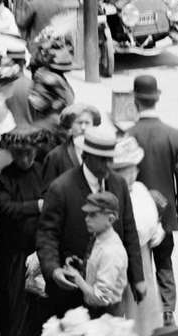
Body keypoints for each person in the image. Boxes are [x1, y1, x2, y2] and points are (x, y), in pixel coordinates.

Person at [35, 125, 145, 321]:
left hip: (109, 293)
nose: (109, 165)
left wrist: (138, 277)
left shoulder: (118, 184)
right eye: (103, 160)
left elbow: (129, 230)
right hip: (71, 295)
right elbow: (47, 236)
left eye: (111, 159)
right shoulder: (61, 188)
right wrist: (54, 269)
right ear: (86, 156)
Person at [125, 74, 178, 327]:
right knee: (164, 262)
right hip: (164, 213)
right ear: (156, 100)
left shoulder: (128, 135)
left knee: (140, 262)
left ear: (135, 101)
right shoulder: (174, 135)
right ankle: (167, 310)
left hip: (135, 214)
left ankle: (144, 311)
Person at [0, 125, 51, 336]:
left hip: (39, 252)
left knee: (41, 308)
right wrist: (35, 206)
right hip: (14, 256)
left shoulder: (41, 171)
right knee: (16, 309)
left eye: (30, 153)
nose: (26, 159)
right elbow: (5, 207)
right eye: (20, 154)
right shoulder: (5, 176)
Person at [110, 136, 163, 334]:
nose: (135, 173)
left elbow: (152, 216)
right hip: (125, 258)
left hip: (143, 257)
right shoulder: (115, 195)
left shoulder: (140, 190)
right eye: (130, 169)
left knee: (144, 306)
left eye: (135, 169)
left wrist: (158, 229)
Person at [62, 190, 129, 318]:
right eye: (87, 214)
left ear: (110, 219)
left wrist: (78, 279)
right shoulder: (99, 239)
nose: (87, 219)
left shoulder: (111, 251)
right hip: (96, 312)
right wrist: (81, 264)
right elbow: (98, 266)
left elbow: (102, 298)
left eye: (93, 215)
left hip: (106, 315)